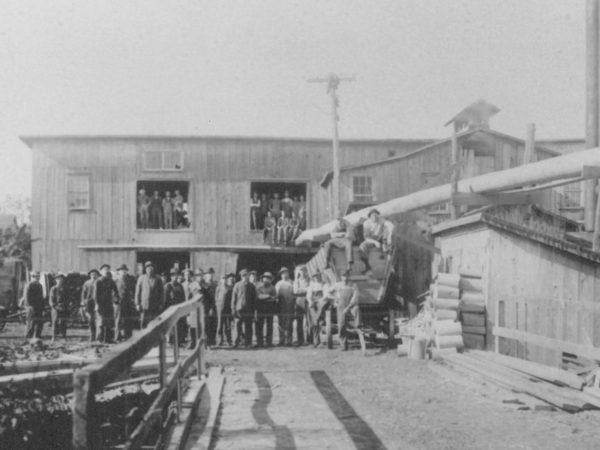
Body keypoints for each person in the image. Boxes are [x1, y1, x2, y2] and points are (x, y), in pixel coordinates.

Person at [358, 209, 395, 273]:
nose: (374, 217)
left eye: (376, 215)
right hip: (371, 240)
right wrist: (375, 242)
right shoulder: (366, 223)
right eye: (372, 216)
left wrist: (389, 236)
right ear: (369, 216)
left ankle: (390, 265)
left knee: (387, 242)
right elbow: (366, 238)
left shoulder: (381, 220)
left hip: (381, 238)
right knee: (362, 246)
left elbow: (391, 225)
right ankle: (367, 265)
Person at [331, 270, 360, 351]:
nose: (345, 278)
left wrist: (348, 308)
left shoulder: (353, 285)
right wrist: (335, 298)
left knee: (357, 310)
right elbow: (328, 292)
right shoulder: (337, 285)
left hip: (350, 306)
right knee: (341, 326)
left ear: (349, 276)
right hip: (341, 307)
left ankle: (357, 329)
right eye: (343, 276)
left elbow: (355, 298)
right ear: (341, 277)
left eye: (346, 276)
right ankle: (343, 346)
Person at [93, 264, 119, 343]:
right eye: (105, 270)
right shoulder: (98, 281)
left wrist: (115, 299)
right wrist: (97, 304)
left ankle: (108, 339)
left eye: (108, 269)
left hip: (109, 304)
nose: (106, 271)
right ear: (101, 272)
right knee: (101, 322)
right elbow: (95, 294)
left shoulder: (111, 281)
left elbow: (115, 291)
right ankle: (100, 339)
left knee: (109, 321)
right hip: (101, 304)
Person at [135, 261, 165, 328]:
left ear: (153, 269)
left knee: (154, 322)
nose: (150, 269)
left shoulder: (158, 278)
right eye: (148, 268)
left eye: (151, 268)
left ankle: (154, 337)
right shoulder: (141, 278)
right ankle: (143, 337)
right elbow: (137, 292)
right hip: (144, 305)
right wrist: (137, 304)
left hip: (155, 306)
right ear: (145, 269)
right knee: (144, 323)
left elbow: (162, 292)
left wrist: (161, 304)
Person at [231, 268, 256, 347]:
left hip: (249, 310)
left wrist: (254, 310)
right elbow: (233, 298)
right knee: (237, 326)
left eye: (246, 275)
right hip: (239, 310)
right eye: (243, 276)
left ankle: (248, 343)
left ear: (248, 276)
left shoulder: (251, 286)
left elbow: (254, 299)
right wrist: (233, 309)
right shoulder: (237, 285)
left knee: (248, 326)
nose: (245, 277)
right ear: (241, 276)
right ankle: (235, 342)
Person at [306, 271, 331, 347]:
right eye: (314, 276)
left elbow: (326, 295)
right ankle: (316, 341)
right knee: (312, 311)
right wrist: (310, 301)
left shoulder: (324, 284)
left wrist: (319, 300)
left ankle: (316, 319)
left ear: (320, 276)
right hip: (314, 302)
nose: (316, 278)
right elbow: (308, 295)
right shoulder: (312, 285)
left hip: (321, 301)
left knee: (321, 305)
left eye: (317, 276)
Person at [165, 269, 187, 343]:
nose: (174, 277)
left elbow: (183, 298)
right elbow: (165, 299)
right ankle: (171, 340)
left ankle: (179, 340)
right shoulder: (168, 286)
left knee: (179, 324)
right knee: (171, 325)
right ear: (171, 277)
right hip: (170, 309)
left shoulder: (180, 286)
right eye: (173, 275)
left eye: (176, 275)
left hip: (178, 308)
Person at [255, 272, 277, 347]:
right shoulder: (258, 287)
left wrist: (270, 297)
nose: (267, 279)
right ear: (262, 278)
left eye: (269, 278)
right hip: (260, 308)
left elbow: (274, 297)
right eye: (265, 278)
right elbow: (258, 296)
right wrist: (268, 296)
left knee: (269, 325)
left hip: (270, 308)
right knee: (259, 325)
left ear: (271, 280)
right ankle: (259, 342)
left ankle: (269, 342)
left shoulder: (272, 287)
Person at [115, 264, 136, 341]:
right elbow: (113, 291)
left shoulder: (131, 279)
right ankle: (117, 336)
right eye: (121, 270)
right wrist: (115, 299)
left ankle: (128, 336)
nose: (123, 272)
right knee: (118, 320)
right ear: (119, 272)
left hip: (129, 302)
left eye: (125, 270)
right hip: (119, 302)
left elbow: (134, 290)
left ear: (127, 271)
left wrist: (133, 299)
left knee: (129, 319)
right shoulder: (115, 280)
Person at [275, 267, 295, 346]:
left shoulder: (292, 282)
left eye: (286, 273)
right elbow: (276, 295)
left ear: (288, 274)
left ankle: (289, 341)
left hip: (290, 305)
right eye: (283, 273)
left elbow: (295, 293)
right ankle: (281, 340)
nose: (285, 275)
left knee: (289, 323)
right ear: (281, 275)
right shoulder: (279, 284)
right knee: (281, 323)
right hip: (281, 306)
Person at [22, 271, 45, 340]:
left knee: (39, 322)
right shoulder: (29, 285)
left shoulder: (40, 286)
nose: (37, 278)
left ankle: (37, 337)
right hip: (31, 307)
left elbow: (41, 297)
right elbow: (26, 297)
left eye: (38, 277)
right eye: (35, 276)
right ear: (32, 277)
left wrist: (42, 307)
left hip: (39, 307)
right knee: (31, 323)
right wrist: (30, 306)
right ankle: (28, 337)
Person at [215, 273, 235, 346]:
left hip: (228, 308)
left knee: (228, 325)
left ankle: (229, 340)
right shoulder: (218, 288)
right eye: (223, 279)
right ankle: (219, 340)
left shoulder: (230, 288)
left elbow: (232, 299)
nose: (224, 280)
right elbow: (216, 298)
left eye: (225, 279)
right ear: (220, 280)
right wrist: (218, 306)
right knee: (220, 325)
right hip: (220, 308)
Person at [186, 268, 204, 348]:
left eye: (200, 275)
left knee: (201, 325)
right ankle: (192, 342)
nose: (199, 277)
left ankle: (201, 342)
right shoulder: (192, 284)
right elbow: (189, 297)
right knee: (192, 325)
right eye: (197, 275)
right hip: (193, 308)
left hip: (201, 307)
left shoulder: (203, 284)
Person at [292, 265, 310, 346]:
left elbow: (310, 290)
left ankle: (310, 339)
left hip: (308, 300)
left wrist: (302, 290)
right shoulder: (296, 281)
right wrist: (305, 290)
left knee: (309, 321)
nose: (302, 272)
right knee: (299, 322)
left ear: (306, 271)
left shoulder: (309, 280)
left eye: (303, 270)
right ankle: (300, 340)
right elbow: (295, 291)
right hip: (299, 301)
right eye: (300, 271)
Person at [80, 269, 99, 341]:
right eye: (92, 274)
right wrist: (82, 301)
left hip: (97, 303)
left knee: (98, 320)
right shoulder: (87, 283)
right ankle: (92, 335)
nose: (93, 276)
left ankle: (98, 336)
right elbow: (83, 293)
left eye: (95, 274)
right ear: (90, 275)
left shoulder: (99, 282)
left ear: (97, 275)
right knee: (91, 319)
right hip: (89, 303)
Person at [49, 273, 69, 341]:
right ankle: (53, 337)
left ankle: (64, 336)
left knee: (63, 322)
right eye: (58, 279)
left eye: (61, 279)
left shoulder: (65, 288)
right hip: (55, 308)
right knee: (55, 322)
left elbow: (68, 298)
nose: (59, 281)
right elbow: (51, 300)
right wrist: (55, 306)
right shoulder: (53, 289)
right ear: (55, 280)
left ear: (63, 280)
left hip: (63, 307)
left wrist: (65, 305)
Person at [203, 268, 218, 346]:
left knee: (214, 324)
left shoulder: (215, 284)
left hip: (215, 307)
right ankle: (207, 342)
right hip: (207, 307)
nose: (210, 275)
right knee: (207, 325)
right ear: (205, 275)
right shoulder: (204, 285)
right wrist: (209, 308)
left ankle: (213, 341)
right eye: (208, 274)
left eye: (212, 274)